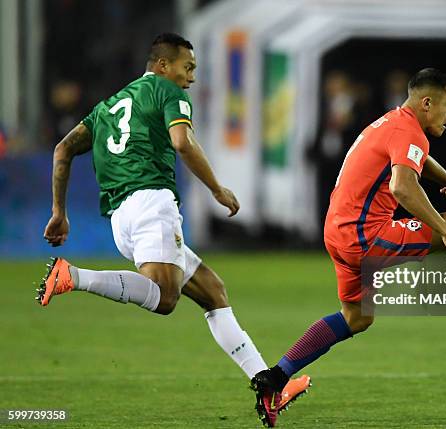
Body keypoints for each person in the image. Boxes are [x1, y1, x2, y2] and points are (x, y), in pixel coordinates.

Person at [249, 68, 446, 421]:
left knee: (356, 318)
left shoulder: (393, 123)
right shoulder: (409, 132)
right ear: (426, 102)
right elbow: (402, 187)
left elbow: (415, 160)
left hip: (337, 233)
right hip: (365, 236)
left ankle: (274, 379)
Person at [38, 33, 309, 422]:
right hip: (152, 202)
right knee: (165, 300)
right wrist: (217, 188)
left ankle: (267, 386)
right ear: (163, 66)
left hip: (121, 218)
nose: (191, 78)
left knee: (214, 292)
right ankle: (73, 276)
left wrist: (59, 211)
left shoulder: (108, 107)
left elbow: (63, 149)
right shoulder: (167, 91)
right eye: (189, 67)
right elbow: (182, 142)